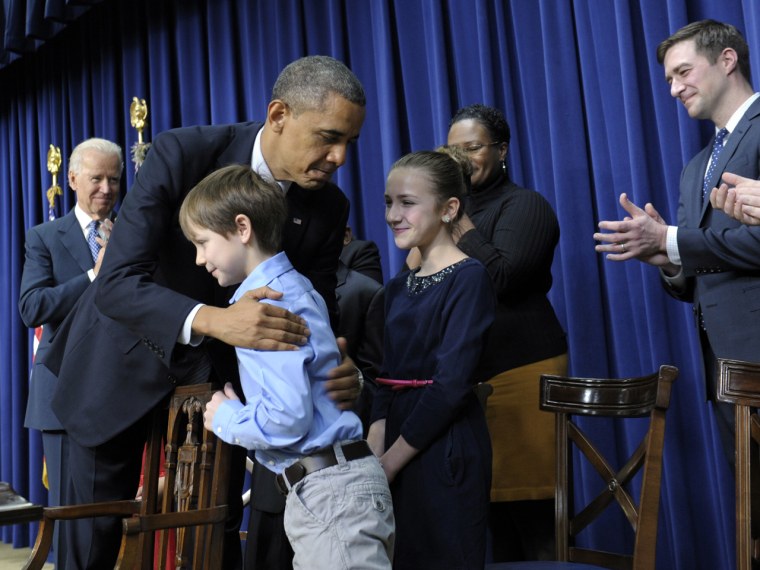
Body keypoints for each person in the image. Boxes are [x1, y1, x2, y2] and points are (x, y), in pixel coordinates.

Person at [40, 55, 365, 570]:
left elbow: (315, 311)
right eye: (328, 137)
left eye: (350, 142)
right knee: (94, 544)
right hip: (115, 369)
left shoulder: (329, 207)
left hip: (226, 401)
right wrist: (217, 321)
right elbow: (116, 283)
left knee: (208, 545)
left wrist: (337, 364)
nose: (340, 156)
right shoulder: (182, 153)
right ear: (279, 114)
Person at [178, 164, 394, 569]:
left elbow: (288, 419)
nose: (198, 258)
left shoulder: (264, 308)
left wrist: (226, 418)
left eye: (203, 242)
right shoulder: (295, 287)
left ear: (242, 228)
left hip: (329, 492)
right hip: (337, 486)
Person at [594, 19, 760, 468]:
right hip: (725, 372)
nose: (673, 89)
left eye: (683, 72)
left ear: (727, 60)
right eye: (669, 79)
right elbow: (694, 281)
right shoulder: (695, 168)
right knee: (753, 519)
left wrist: (672, 239)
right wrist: (667, 259)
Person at [446, 104, 568, 562]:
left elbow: (502, 278)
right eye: (452, 149)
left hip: (523, 373)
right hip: (467, 382)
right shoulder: (448, 212)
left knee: (530, 516)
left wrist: (456, 223)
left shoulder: (525, 205)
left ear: (501, 151)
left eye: (472, 147)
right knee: (484, 521)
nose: (461, 157)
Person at [367, 149, 496, 569]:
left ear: (449, 209)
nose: (392, 214)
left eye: (407, 202)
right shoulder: (398, 287)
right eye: (388, 202)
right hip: (395, 446)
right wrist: (374, 457)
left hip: (444, 449)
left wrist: (391, 462)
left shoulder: (469, 277)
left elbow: (451, 385)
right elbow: (384, 377)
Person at [18, 137, 121, 569]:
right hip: (62, 394)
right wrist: (93, 275)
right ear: (73, 178)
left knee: (111, 519)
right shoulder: (45, 236)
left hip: (120, 392)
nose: (106, 188)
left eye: (114, 179)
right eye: (96, 178)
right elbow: (33, 307)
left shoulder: (132, 235)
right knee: (71, 520)